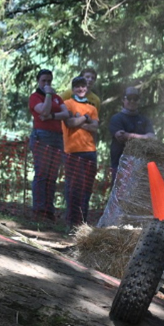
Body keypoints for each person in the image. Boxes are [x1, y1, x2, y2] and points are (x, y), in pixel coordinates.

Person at [29, 69, 70, 223]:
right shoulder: (35, 97)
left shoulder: (58, 98)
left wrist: (52, 116)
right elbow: (43, 110)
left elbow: (66, 114)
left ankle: (48, 210)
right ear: (38, 81)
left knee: (52, 175)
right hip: (42, 135)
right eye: (43, 81)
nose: (46, 84)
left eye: (49, 81)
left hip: (57, 137)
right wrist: (47, 94)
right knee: (42, 173)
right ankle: (38, 209)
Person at [62, 76, 100, 227]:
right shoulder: (67, 104)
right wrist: (86, 118)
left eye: (83, 86)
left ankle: (82, 222)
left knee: (86, 188)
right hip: (73, 150)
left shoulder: (92, 108)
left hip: (90, 150)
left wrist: (80, 120)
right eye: (77, 86)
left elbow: (95, 127)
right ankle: (71, 221)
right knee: (73, 187)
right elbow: (69, 123)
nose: (81, 89)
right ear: (73, 89)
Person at [107, 85, 155, 180]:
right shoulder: (116, 118)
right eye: (129, 98)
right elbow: (120, 137)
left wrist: (128, 135)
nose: (132, 101)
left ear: (139, 100)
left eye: (135, 98)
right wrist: (144, 137)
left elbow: (153, 138)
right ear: (123, 100)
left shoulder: (144, 119)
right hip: (120, 164)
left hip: (141, 165)